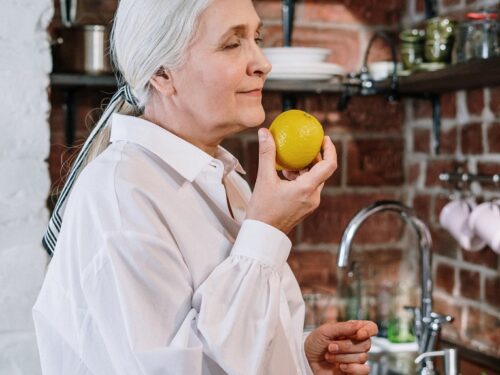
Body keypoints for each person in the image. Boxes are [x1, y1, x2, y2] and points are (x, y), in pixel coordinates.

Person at [33, 0, 377, 374]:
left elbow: (229, 347)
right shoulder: (120, 194)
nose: (262, 62)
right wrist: (266, 230)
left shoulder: (230, 182)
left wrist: (297, 360)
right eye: (233, 43)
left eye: (256, 37)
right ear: (163, 73)